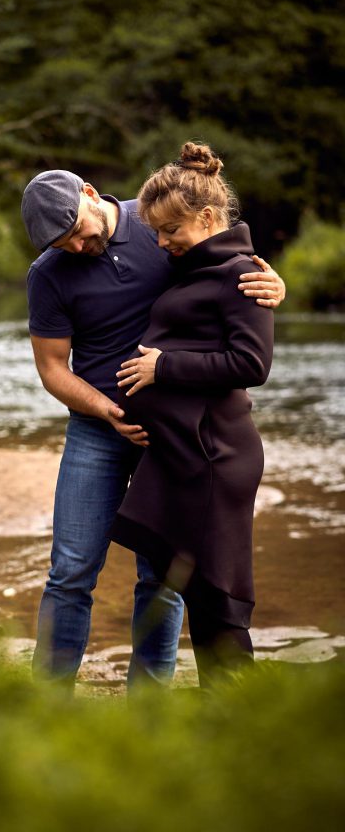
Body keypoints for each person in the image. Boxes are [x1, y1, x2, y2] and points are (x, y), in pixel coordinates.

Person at [21, 165, 284, 690]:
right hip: (97, 432)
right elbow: (52, 369)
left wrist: (274, 283)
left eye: (77, 232)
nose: (75, 247)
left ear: (90, 194)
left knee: (162, 574)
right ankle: (45, 700)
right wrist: (107, 411)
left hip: (174, 435)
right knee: (71, 570)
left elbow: (224, 269)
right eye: (60, 243)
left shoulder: (158, 223)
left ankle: (149, 704)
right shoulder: (48, 274)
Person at [110, 142, 274, 687]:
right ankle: (221, 711)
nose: (162, 242)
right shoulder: (193, 266)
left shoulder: (240, 274)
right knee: (195, 584)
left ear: (206, 218)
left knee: (217, 593)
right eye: (156, 232)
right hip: (184, 454)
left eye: (171, 230)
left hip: (214, 455)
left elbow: (252, 364)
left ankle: (239, 711)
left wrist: (164, 367)